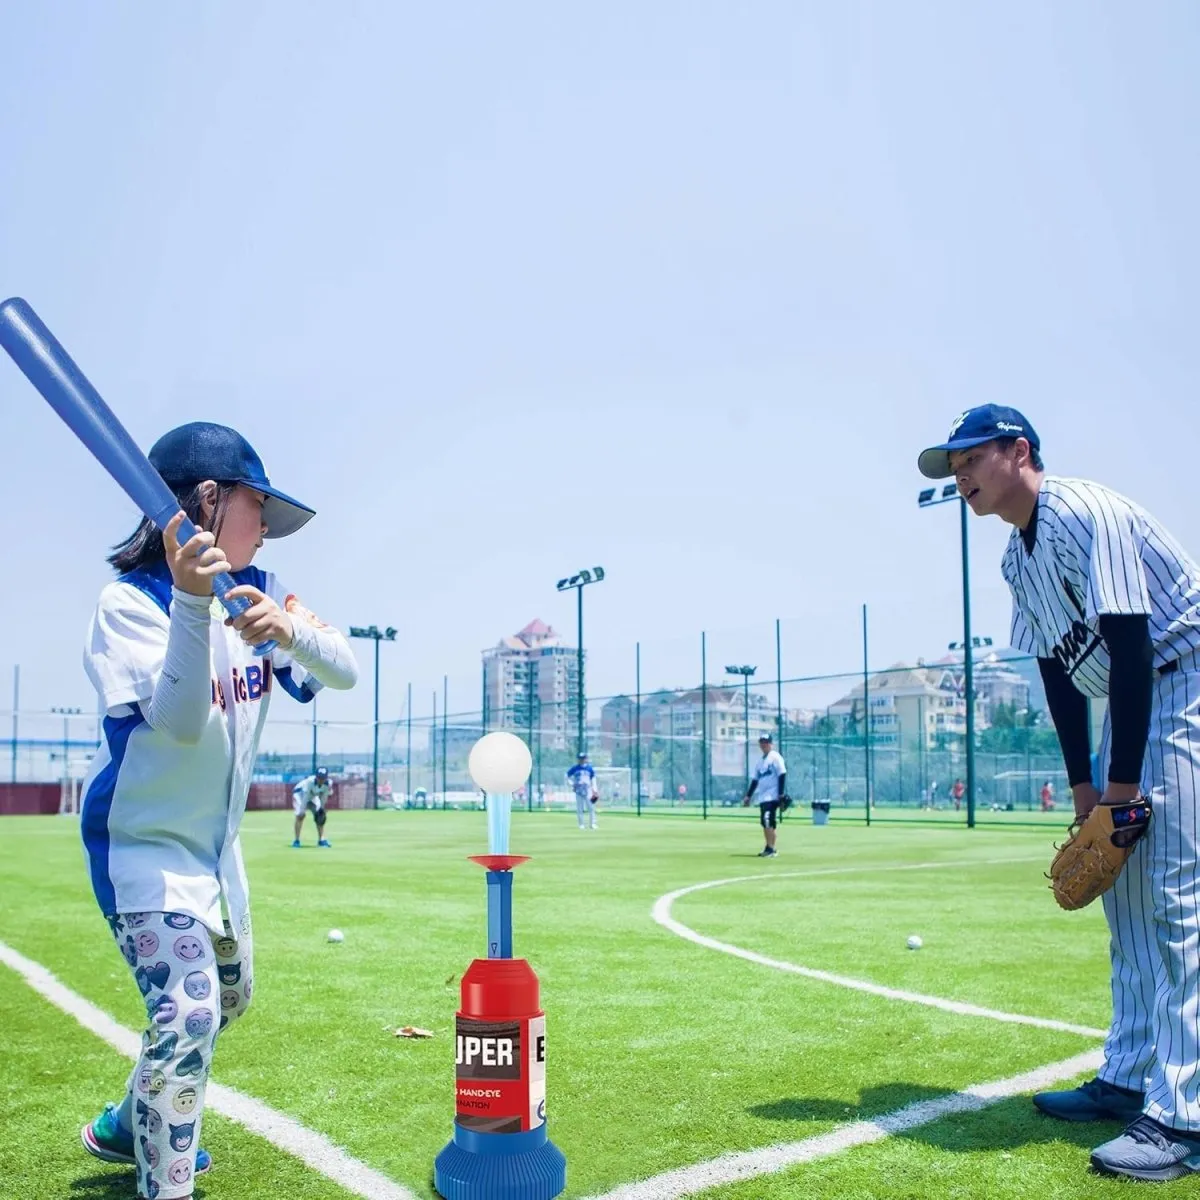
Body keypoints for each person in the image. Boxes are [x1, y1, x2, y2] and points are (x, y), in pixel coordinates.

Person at [77, 422, 359, 1200]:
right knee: (190, 1015)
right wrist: (196, 605)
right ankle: (166, 1184)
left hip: (216, 855)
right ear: (208, 500)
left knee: (227, 1002)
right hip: (141, 847)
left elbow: (346, 672)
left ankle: (123, 1124)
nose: (266, 526)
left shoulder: (257, 592)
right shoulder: (128, 604)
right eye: (256, 506)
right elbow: (180, 722)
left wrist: (288, 628)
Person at [919, 403, 1200, 1182]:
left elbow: (1134, 644)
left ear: (1019, 450)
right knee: (1126, 899)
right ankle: (1129, 1076)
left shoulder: (1084, 511)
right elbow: (1058, 671)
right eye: (955, 468)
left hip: (1185, 682)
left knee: (1175, 899)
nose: (962, 476)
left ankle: (1183, 1118)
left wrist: (1121, 787)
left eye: (971, 458)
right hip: (1134, 699)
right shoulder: (1017, 558)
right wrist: (1088, 792)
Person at [743, 733, 787, 857]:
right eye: (762, 742)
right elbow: (755, 780)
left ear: (771, 744)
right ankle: (770, 847)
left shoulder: (775, 757)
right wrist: (748, 796)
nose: (764, 744)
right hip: (763, 797)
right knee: (767, 822)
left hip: (772, 796)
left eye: (766, 742)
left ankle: (771, 849)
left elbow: (782, 774)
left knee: (767, 820)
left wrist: (781, 794)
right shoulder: (760, 762)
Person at [291, 766, 333, 847]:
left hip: (313, 796)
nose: (321, 780)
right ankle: (296, 841)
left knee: (320, 816)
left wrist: (321, 808)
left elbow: (324, 797)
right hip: (300, 794)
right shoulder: (310, 781)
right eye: (319, 777)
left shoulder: (328, 783)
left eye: (323, 778)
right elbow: (305, 797)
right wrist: (302, 810)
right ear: (316, 776)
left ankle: (321, 840)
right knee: (300, 816)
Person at [567, 751, 598, 829]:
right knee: (580, 808)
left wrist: (595, 789)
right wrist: (571, 784)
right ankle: (581, 824)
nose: (581, 760)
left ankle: (592, 824)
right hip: (578, 790)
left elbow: (593, 778)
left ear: (586, 759)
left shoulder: (589, 768)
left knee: (591, 807)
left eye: (583, 758)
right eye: (580, 758)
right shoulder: (575, 768)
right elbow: (567, 776)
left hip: (588, 790)